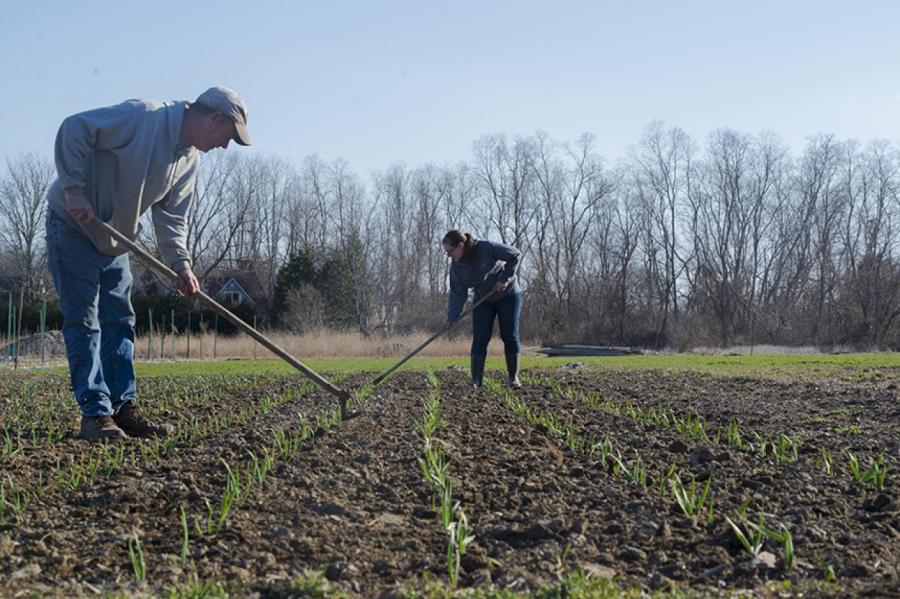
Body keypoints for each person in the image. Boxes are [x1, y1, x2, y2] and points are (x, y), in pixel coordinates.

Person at [45, 86, 252, 440]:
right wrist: (75, 189)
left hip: (114, 238)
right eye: (228, 136)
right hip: (75, 224)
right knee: (85, 320)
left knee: (120, 321)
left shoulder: (189, 160)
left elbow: (172, 220)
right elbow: (74, 128)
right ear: (214, 118)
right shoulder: (144, 116)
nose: (225, 145)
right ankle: (95, 415)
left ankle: (123, 409)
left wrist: (181, 265)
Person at [442, 230, 522, 388]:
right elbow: (458, 293)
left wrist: (504, 279)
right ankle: (476, 380)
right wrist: (453, 317)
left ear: (460, 245)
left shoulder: (486, 248)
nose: (449, 256)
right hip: (483, 299)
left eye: (450, 252)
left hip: (508, 295)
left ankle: (513, 378)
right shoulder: (456, 268)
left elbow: (515, 255)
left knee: (509, 335)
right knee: (480, 338)